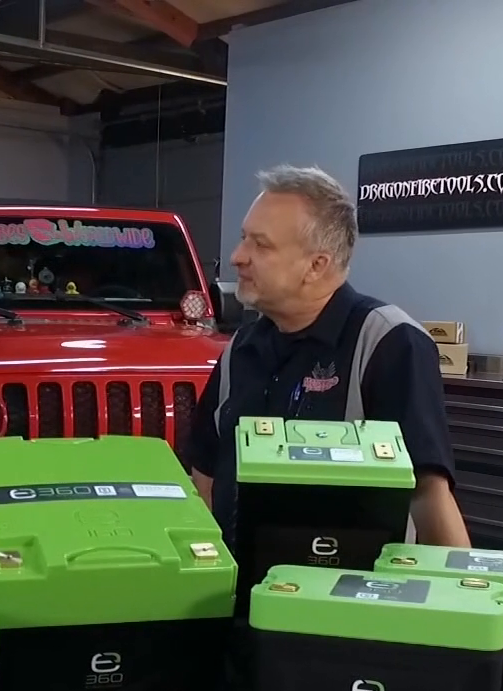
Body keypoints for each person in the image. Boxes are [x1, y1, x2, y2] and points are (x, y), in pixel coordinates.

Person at [184, 165, 469, 547]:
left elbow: (430, 496)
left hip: (346, 582)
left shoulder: (388, 342)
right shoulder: (241, 349)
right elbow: (204, 476)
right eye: (243, 238)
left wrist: (461, 583)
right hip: (244, 580)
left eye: (261, 245)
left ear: (316, 265)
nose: (237, 257)